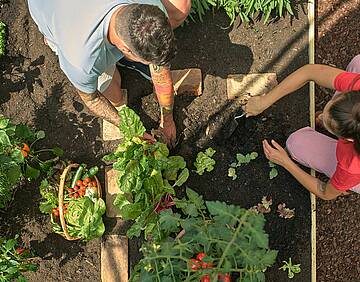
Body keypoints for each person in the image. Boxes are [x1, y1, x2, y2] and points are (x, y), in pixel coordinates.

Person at [27, 0, 191, 146]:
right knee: (113, 94)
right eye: (148, 61)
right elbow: (92, 99)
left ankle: (134, 59)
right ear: (125, 49)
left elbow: (162, 78)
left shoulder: (148, 9)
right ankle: (51, 39)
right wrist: (130, 128)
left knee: (181, 5)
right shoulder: (82, 61)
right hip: (52, 11)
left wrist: (168, 120)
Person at [244, 55, 360, 200]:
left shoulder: (352, 165)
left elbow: (325, 192)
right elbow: (309, 72)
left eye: (328, 122)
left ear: (349, 139)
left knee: (296, 144)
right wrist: (264, 101)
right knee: (358, 62)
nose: (321, 116)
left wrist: (286, 162)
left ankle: (348, 186)